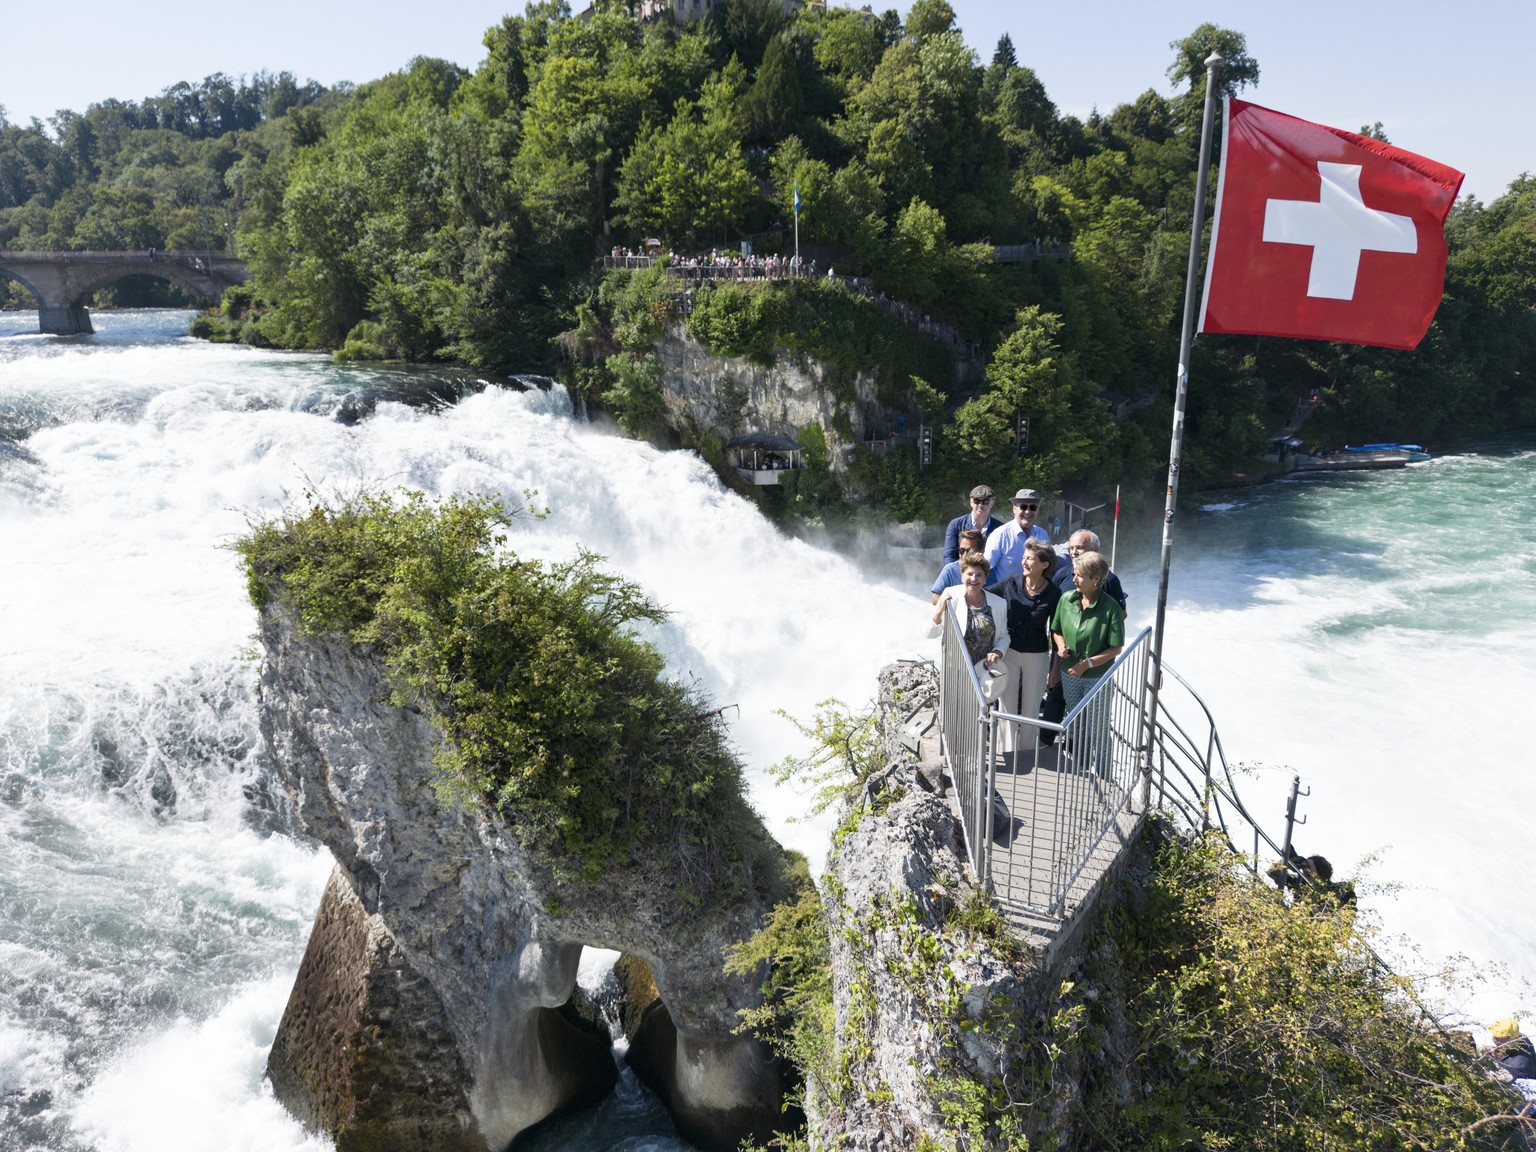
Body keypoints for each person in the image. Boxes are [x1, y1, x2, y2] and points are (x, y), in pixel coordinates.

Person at [1051, 551, 1124, 776]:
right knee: (1077, 726)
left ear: (1096, 579)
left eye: (1080, 575)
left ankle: (1104, 776)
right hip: (1070, 674)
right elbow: (1057, 630)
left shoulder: (1111, 607)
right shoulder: (1066, 599)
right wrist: (1061, 646)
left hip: (1097, 678)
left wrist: (1087, 664)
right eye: (1074, 574)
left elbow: (1116, 648)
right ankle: (1081, 772)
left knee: (1099, 730)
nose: (1074, 579)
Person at [988, 539, 1061, 752]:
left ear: (1044, 564)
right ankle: (1007, 752)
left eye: (1030, 558)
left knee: (1031, 706)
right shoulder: (1011, 582)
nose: (1024, 562)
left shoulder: (1053, 593)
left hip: (1037, 655)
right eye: (1024, 557)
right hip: (1008, 652)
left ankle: (1027, 753)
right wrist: (953, 594)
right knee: (1007, 705)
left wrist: (1055, 669)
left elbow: (1056, 632)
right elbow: (983, 595)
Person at [930, 551, 1012, 698]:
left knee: (978, 716)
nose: (974, 579)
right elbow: (930, 633)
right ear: (962, 576)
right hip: (955, 670)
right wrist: (940, 608)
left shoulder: (999, 603)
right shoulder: (950, 595)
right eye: (970, 574)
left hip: (983, 672)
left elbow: (1004, 636)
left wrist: (998, 652)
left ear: (986, 578)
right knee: (954, 715)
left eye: (979, 575)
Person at [1051, 529, 1127, 615]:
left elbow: (1121, 614)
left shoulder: (1109, 579)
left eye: (1079, 547)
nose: (1073, 552)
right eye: (1071, 548)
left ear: (1095, 550)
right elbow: (1050, 605)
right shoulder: (1061, 574)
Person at [983, 489, 1051, 585]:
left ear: (1038, 510)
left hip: (1034, 594)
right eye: (1023, 507)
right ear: (1014, 508)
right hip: (1005, 596)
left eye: (1033, 507)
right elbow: (986, 568)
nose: (1028, 512)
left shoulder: (1042, 534)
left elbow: (1047, 567)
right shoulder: (1000, 535)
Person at [943, 486, 1004, 563]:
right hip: (960, 571)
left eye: (985, 501)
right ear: (971, 502)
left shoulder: (1000, 528)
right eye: (977, 501)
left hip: (990, 572)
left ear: (992, 502)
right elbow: (949, 556)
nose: (980, 505)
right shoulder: (956, 525)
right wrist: (957, 573)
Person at [932, 528, 986, 603]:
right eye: (961, 551)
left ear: (981, 551)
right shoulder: (950, 570)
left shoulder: (988, 570)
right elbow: (935, 598)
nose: (964, 555)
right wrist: (956, 605)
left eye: (969, 551)